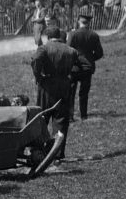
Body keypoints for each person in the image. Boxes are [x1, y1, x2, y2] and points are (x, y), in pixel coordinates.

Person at [32, 26, 84, 160]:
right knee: (61, 120)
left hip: (47, 85)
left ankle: (39, 152)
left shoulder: (44, 48)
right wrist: (70, 77)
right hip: (64, 86)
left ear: (48, 37)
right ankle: (57, 154)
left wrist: (38, 77)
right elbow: (81, 66)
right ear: (60, 37)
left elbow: (36, 60)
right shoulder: (71, 50)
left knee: (42, 118)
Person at [68, 13, 104, 121]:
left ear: (79, 21)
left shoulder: (73, 34)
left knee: (71, 93)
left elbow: (67, 51)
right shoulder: (93, 35)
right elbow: (99, 53)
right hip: (87, 68)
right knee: (84, 93)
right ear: (89, 22)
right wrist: (91, 58)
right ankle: (83, 115)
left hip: (74, 67)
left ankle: (70, 116)